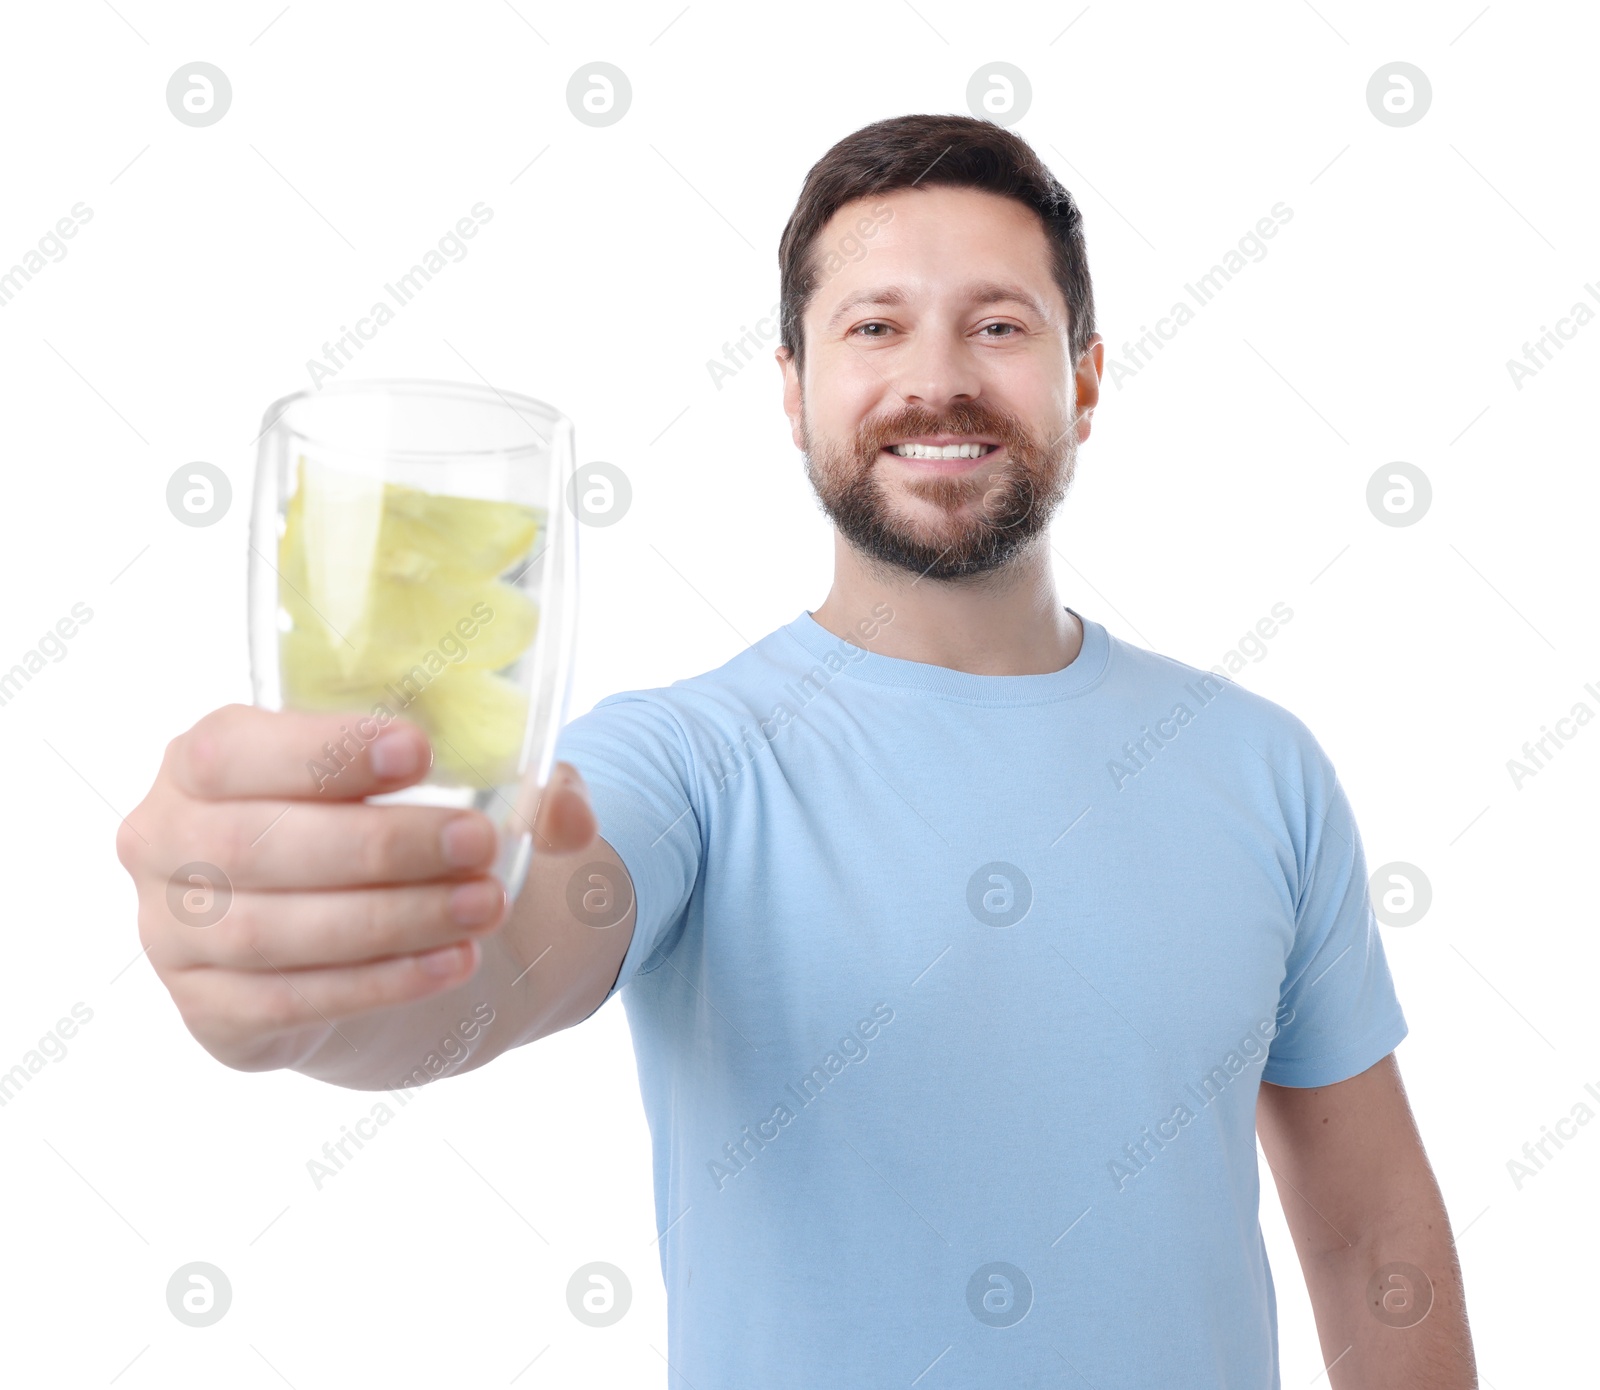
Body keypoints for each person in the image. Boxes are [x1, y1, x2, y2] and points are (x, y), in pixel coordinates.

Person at [119, 113, 1476, 1386]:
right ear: (792, 386)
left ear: (1087, 376)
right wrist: (312, 989)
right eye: (875, 325)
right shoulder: (686, 764)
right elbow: (496, 962)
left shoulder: (1260, 767)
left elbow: (1375, 1245)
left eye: (998, 324)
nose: (936, 377)